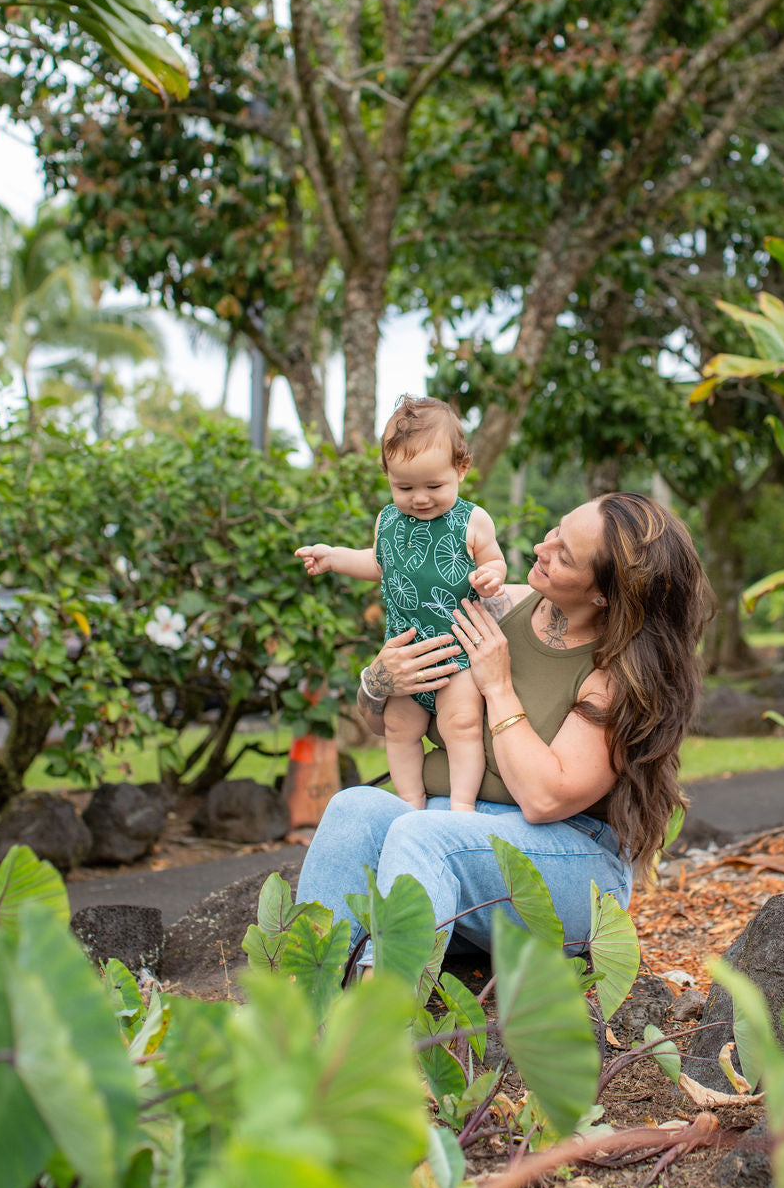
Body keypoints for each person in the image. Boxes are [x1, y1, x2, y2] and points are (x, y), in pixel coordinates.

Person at [294, 492, 712, 965]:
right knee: (354, 807)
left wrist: (498, 686)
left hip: (570, 867)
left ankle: (381, 1020)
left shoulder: (618, 675)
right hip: (459, 836)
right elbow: (386, 723)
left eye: (564, 554)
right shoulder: (496, 604)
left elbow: (544, 799)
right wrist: (379, 680)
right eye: (555, 531)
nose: (541, 547)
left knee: (423, 834)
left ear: (604, 593)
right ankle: (306, 999)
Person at [296, 395, 507, 812]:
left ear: (460, 469)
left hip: (457, 653)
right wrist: (333, 556)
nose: (420, 498)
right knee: (397, 726)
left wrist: (491, 577)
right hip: (406, 654)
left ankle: (460, 808)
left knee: (461, 725)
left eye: (434, 486)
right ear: (388, 476)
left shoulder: (472, 520)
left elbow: (494, 561)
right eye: (404, 487)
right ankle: (411, 804)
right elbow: (377, 562)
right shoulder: (387, 520)